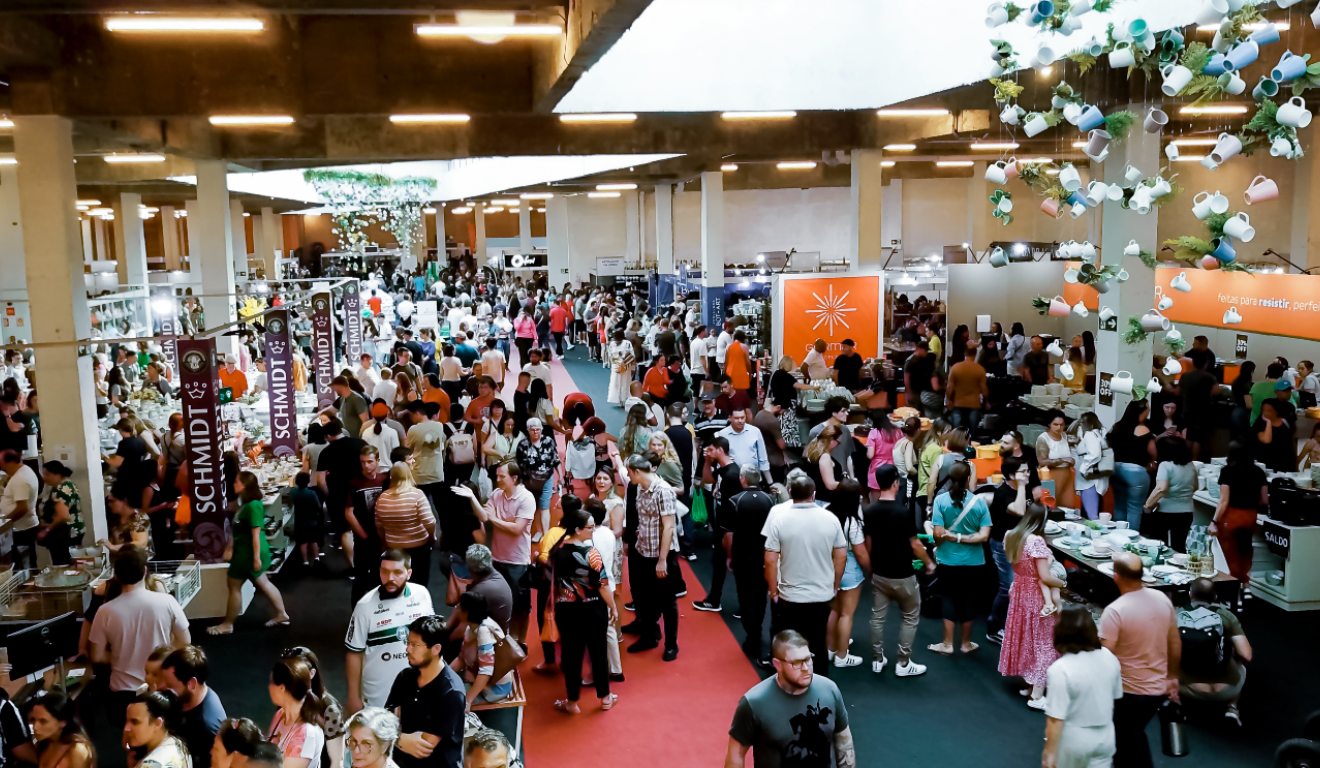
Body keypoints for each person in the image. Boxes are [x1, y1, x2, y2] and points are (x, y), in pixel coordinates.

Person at [90, 546, 190, 727]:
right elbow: (185, 642)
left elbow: (96, 655)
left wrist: (121, 655)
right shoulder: (167, 601)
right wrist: (163, 657)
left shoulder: (105, 611)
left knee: (129, 744)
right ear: (145, 571)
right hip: (161, 687)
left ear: (117, 575)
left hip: (122, 692)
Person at [724, 630, 856, 768]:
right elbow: (736, 754)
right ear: (777, 664)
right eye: (797, 663)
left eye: (808, 659)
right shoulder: (754, 703)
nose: (806, 668)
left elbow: (844, 742)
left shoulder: (829, 689)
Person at [1099, 553, 1181, 768]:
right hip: (1157, 688)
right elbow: (1174, 643)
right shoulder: (1163, 599)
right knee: (1132, 734)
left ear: (1116, 577)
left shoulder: (1115, 611)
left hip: (1128, 690)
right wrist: (1172, 677)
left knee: (1126, 738)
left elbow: (1105, 657)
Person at [762, 472, 847, 677]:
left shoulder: (779, 520)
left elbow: (770, 560)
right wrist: (834, 585)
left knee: (788, 644)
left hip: (789, 597)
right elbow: (841, 556)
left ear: (790, 492)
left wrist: (773, 591)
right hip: (821, 596)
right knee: (818, 642)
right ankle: (819, 685)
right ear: (814, 494)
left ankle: (788, 682)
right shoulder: (830, 519)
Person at [548, 504, 619, 713]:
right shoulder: (592, 554)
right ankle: (605, 697)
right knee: (598, 652)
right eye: (589, 527)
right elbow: (603, 584)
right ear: (578, 529)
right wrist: (613, 607)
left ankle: (572, 702)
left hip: (567, 610)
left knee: (571, 655)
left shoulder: (557, 551)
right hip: (593, 608)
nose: (593, 530)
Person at [452, 463, 534, 643]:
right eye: (497, 476)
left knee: (521, 608)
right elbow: (483, 517)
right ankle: (508, 641)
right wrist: (473, 498)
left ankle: (522, 642)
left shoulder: (526, 498)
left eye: (501, 476)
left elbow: (517, 529)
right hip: (497, 559)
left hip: (518, 562)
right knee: (504, 604)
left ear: (514, 478)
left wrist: (494, 519)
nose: (497, 480)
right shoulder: (497, 494)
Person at [346, 550, 435, 713]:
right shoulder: (364, 607)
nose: (390, 578)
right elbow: (354, 653)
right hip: (378, 697)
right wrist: (353, 697)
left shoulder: (422, 595)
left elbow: (432, 640)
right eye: (385, 572)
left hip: (418, 691)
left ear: (409, 573)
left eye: (397, 572)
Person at [864, 464, 932, 678]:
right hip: (903, 574)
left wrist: (870, 568)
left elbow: (868, 542)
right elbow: (914, 545)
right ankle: (903, 662)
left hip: (879, 573)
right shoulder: (903, 512)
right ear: (895, 483)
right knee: (910, 616)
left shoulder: (870, 511)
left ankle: (877, 658)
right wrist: (929, 563)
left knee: (877, 617)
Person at [999, 502, 1065, 710]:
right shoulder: (1036, 541)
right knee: (1045, 643)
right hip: (1035, 595)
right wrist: (1062, 583)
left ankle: (1030, 686)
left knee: (1027, 638)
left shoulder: (1010, 535)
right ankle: (1037, 696)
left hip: (1019, 591)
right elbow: (1044, 576)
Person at [1041, 606, 1123, 768]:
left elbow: (1056, 719)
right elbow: (1116, 696)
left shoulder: (1060, 669)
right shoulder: (1109, 658)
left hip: (1074, 737)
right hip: (1105, 735)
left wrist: (1049, 753)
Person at [209, 471, 289, 635]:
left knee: (234, 585)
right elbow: (238, 529)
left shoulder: (253, 506)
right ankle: (282, 614)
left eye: (237, 481)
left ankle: (228, 624)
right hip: (245, 552)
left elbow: (255, 534)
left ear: (244, 485)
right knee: (263, 583)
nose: (233, 484)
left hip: (247, 554)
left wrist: (256, 558)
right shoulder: (245, 504)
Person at [387, 615, 467, 768]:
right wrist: (399, 738)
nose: (407, 649)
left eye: (415, 645)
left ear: (436, 649)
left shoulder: (451, 692)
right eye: (408, 643)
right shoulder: (405, 677)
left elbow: (423, 747)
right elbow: (386, 717)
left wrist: (394, 737)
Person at [928, 462, 991, 657]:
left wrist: (950, 537)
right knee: (969, 599)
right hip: (974, 561)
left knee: (948, 598)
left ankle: (947, 643)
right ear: (967, 479)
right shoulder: (979, 502)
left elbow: (938, 533)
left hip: (948, 559)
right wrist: (965, 538)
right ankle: (965, 643)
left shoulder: (940, 501)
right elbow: (984, 535)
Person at [621, 455, 681, 661]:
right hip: (643, 551)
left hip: (660, 555)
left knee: (667, 602)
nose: (628, 477)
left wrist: (662, 560)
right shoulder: (640, 488)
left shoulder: (663, 491)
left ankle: (672, 644)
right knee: (644, 598)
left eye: (629, 472)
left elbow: (669, 527)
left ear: (637, 471)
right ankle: (648, 635)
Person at [1177, 578, 1252, 726]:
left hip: (1191, 689)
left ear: (1190, 594)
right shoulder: (1227, 617)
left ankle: (1177, 706)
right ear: (1215, 597)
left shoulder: (1176, 615)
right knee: (1242, 665)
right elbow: (1246, 655)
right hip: (1226, 690)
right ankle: (1232, 708)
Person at [825, 480, 870, 669]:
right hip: (850, 571)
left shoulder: (826, 513)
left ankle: (829, 648)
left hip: (828, 568)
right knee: (847, 614)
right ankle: (842, 656)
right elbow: (860, 552)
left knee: (834, 610)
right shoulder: (851, 521)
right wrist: (870, 570)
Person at [158, 646, 227, 768]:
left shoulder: (207, 726)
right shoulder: (186, 698)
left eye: (169, 684)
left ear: (191, 684)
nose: (160, 687)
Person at [986, 457, 1029, 645]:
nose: (1027, 475)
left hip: (1015, 543)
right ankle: (994, 629)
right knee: (1007, 587)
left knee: (1015, 586)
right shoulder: (1004, 493)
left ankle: (1009, 624)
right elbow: (1019, 510)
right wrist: (1021, 486)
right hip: (1001, 546)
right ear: (1011, 475)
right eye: (1023, 472)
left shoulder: (1015, 489)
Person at [1212, 442, 1268, 586]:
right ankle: (1244, 587)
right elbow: (1264, 500)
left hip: (1231, 517)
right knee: (1245, 551)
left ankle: (1230, 591)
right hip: (1250, 516)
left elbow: (1223, 501)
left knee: (1228, 556)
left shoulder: (1227, 471)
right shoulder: (1259, 472)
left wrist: (1214, 521)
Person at [374, 463, 437, 588]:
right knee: (420, 582)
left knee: (399, 581)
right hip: (418, 546)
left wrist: (385, 542)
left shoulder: (383, 498)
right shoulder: (417, 495)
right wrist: (431, 537)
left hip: (394, 547)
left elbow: (379, 525)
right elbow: (430, 521)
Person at [453, 592, 516, 708]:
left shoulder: (483, 632)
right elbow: (461, 657)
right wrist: (444, 673)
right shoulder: (472, 626)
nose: (456, 608)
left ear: (466, 612)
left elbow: (486, 671)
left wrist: (468, 700)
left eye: (459, 606)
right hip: (477, 676)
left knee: (451, 699)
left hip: (495, 689)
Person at [267, 657, 328, 768]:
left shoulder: (307, 734)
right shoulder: (281, 714)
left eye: (271, 682)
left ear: (281, 688)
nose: (268, 687)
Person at [1142, 435, 1197, 552]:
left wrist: (1148, 505)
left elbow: (1161, 489)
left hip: (1165, 511)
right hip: (1186, 512)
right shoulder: (1190, 465)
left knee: (1159, 546)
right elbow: (1195, 486)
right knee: (1179, 546)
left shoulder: (1165, 465)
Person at [1109, 401, 1155, 533]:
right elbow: (1153, 452)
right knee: (1134, 508)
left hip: (1116, 469)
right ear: (1143, 411)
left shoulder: (1117, 426)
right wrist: (1153, 462)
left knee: (1119, 506)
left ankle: (1117, 536)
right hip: (1136, 472)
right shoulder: (1143, 429)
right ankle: (1131, 540)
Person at [515, 418, 560, 543]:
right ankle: (538, 530)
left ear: (542, 429)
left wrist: (560, 475)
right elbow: (519, 465)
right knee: (533, 507)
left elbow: (556, 459)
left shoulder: (549, 441)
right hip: (529, 481)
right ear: (528, 430)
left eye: (538, 429)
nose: (535, 432)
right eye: (532, 430)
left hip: (546, 479)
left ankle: (545, 536)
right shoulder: (523, 445)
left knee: (545, 506)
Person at [21, 690, 94, 768]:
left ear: (62, 722)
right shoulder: (44, 742)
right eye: (33, 720)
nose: (35, 727)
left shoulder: (77, 750)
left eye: (43, 721)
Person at [124, 690, 190, 768]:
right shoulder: (178, 743)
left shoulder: (149, 765)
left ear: (158, 723)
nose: (126, 729)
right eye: (126, 721)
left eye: (135, 722)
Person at [36, 460, 82, 566]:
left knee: (62, 564)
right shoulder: (67, 484)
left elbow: (63, 516)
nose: (44, 477)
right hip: (72, 530)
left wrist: (47, 529)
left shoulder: (61, 490)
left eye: (47, 474)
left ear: (57, 474)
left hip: (64, 534)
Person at [0, 448, 39, 569]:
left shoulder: (20, 479)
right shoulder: (25, 470)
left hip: (22, 529)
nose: (4, 470)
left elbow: (22, 508)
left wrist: (4, 522)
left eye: (3, 466)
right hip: (27, 526)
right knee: (28, 560)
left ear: (10, 462)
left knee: (22, 564)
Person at [717, 408, 771, 485]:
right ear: (730, 418)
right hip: (732, 480)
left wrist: (770, 482)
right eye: (736, 418)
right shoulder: (722, 434)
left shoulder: (755, 431)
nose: (740, 421)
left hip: (754, 479)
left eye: (742, 417)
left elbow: (763, 459)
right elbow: (720, 462)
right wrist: (719, 483)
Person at [1036, 411, 1075, 508]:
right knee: (1050, 504)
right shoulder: (1043, 439)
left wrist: (1071, 461)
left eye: (1061, 425)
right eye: (1055, 424)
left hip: (1066, 475)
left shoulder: (1065, 436)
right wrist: (1063, 460)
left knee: (1068, 505)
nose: (1059, 428)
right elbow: (1042, 461)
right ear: (1049, 424)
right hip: (1050, 475)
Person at [946, 341, 988, 430]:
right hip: (974, 405)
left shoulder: (955, 367)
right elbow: (984, 389)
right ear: (975, 354)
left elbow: (950, 387)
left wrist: (949, 400)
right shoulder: (980, 369)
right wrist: (987, 402)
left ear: (964, 353)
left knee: (957, 433)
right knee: (972, 433)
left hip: (958, 403)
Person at [1253, 395, 1297, 472]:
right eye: (1263, 410)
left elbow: (1291, 441)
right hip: (1267, 464)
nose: (1265, 413)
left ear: (1276, 411)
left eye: (1269, 410)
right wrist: (1269, 422)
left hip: (1285, 463)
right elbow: (1266, 440)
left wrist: (1295, 463)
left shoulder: (1285, 422)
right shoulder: (1260, 424)